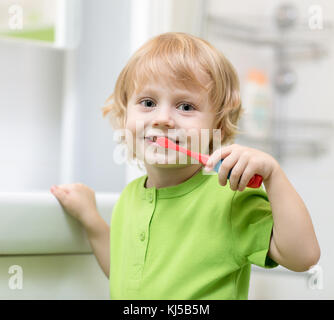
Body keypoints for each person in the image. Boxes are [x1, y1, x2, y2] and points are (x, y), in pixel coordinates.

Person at [50, 32, 320, 300]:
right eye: (148, 103)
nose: (163, 119)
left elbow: (303, 257)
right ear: (125, 115)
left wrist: (274, 176)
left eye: (186, 106)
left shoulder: (230, 199)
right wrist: (91, 220)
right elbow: (123, 276)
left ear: (218, 127)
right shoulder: (130, 197)